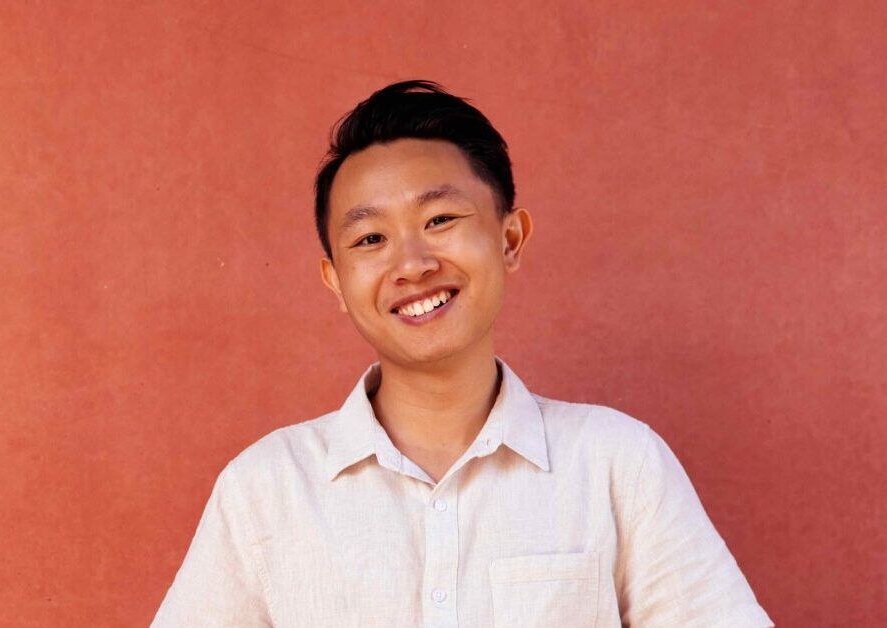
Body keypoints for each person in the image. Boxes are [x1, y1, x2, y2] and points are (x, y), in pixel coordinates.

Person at [151, 80, 774, 627]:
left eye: (441, 219)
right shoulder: (265, 488)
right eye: (370, 238)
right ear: (335, 282)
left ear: (509, 238)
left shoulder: (618, 464)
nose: (413, 265)